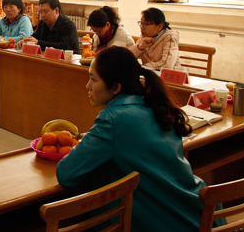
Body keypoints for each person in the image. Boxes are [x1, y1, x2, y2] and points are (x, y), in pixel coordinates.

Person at [56, 47, 219, 231]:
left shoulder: (113, 119)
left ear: (116, 87)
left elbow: (66, 174)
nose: (88, 86)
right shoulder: (156, 108)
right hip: (197, 213)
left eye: (93, 79)